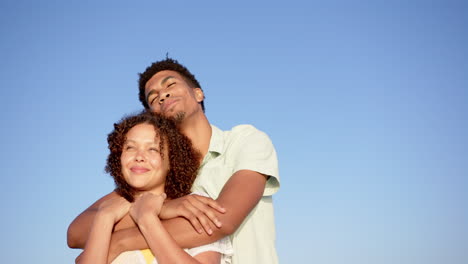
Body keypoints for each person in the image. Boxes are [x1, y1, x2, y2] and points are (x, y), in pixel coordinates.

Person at [68, 58, 280, 264]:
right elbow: (76, 233)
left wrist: (120, 240)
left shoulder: (243, 140)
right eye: (152, 98)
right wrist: (164, 208)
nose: (162, 95)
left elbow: (220, 221)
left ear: (198, 93)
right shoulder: (156, 172)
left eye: (170, 84)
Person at [78, 111, 233, 264]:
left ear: (172, 160)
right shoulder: (109, 212)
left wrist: (147, 219)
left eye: (153, 149)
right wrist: (104, 219)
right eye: (130, 147)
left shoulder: (193, 206)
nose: (139, 156)